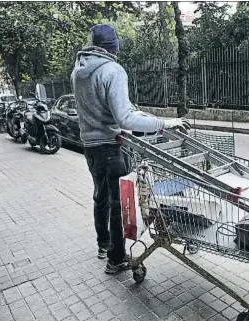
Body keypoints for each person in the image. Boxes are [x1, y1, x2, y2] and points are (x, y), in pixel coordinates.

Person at [71, 24, 190, 274]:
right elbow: (124, 119)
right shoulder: (113, 70)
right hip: (113, 147)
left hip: (91, 147)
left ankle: (104, 245)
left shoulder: (78, 72)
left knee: (100, 197)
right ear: (113, 47)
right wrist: (165, 123)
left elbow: (108, 109)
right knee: (118, 205)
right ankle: (116, 259)